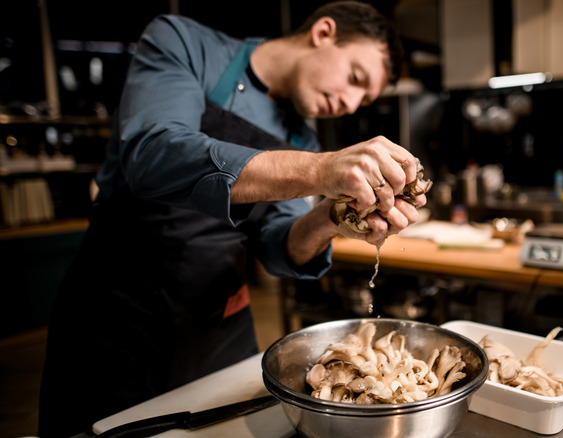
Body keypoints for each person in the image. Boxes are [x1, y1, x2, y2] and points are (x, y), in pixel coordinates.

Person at [38, 2, 426, 436]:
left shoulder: (301, 136)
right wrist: (319, 169)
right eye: (355, 78)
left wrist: (330, 219)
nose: (349, 104)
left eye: (364, 99)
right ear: (323, 32)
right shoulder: (184, 43)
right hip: (117, 312)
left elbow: (280, 246)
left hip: (218, 319)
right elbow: (152, 155)